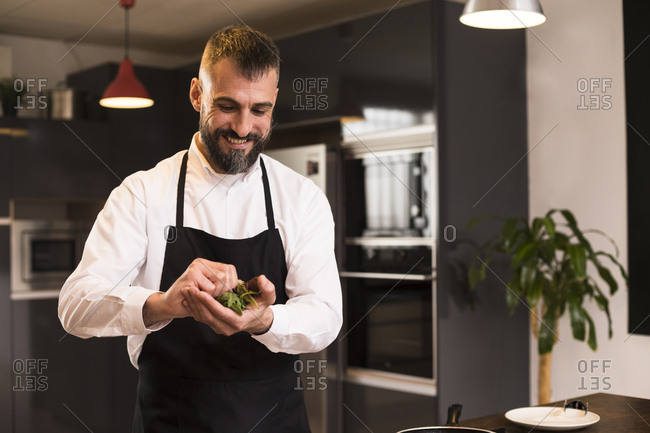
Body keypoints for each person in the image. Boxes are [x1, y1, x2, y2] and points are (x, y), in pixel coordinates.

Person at [58, 25, 342, 433]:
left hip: (274, 420)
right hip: (171, 419)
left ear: (274, 102)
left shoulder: (301, 198)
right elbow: (75, 305)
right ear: (197, 94)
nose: (244, 128)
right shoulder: (142, 193)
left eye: (259, 110)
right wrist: (163, 304)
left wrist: (262, 320)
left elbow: (327, 317)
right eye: (227, 106)